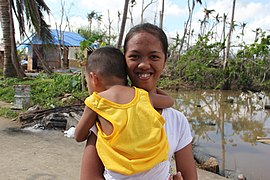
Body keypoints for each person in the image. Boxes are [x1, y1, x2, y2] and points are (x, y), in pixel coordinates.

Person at [79, 23, 198, 180]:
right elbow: (89, 176)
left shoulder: (177, 121)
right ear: (124, 60)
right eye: (134, 56)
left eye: (154, 56)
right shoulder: (105, 112)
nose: (143, 64)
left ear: (165, 60)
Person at [74, 46, 175, 179]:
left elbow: (78, 136)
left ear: (94, 78)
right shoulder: (143, 96)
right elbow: (169, 101)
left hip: (120, 173)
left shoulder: (96, 102)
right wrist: (150, 90)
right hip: (156, 169)